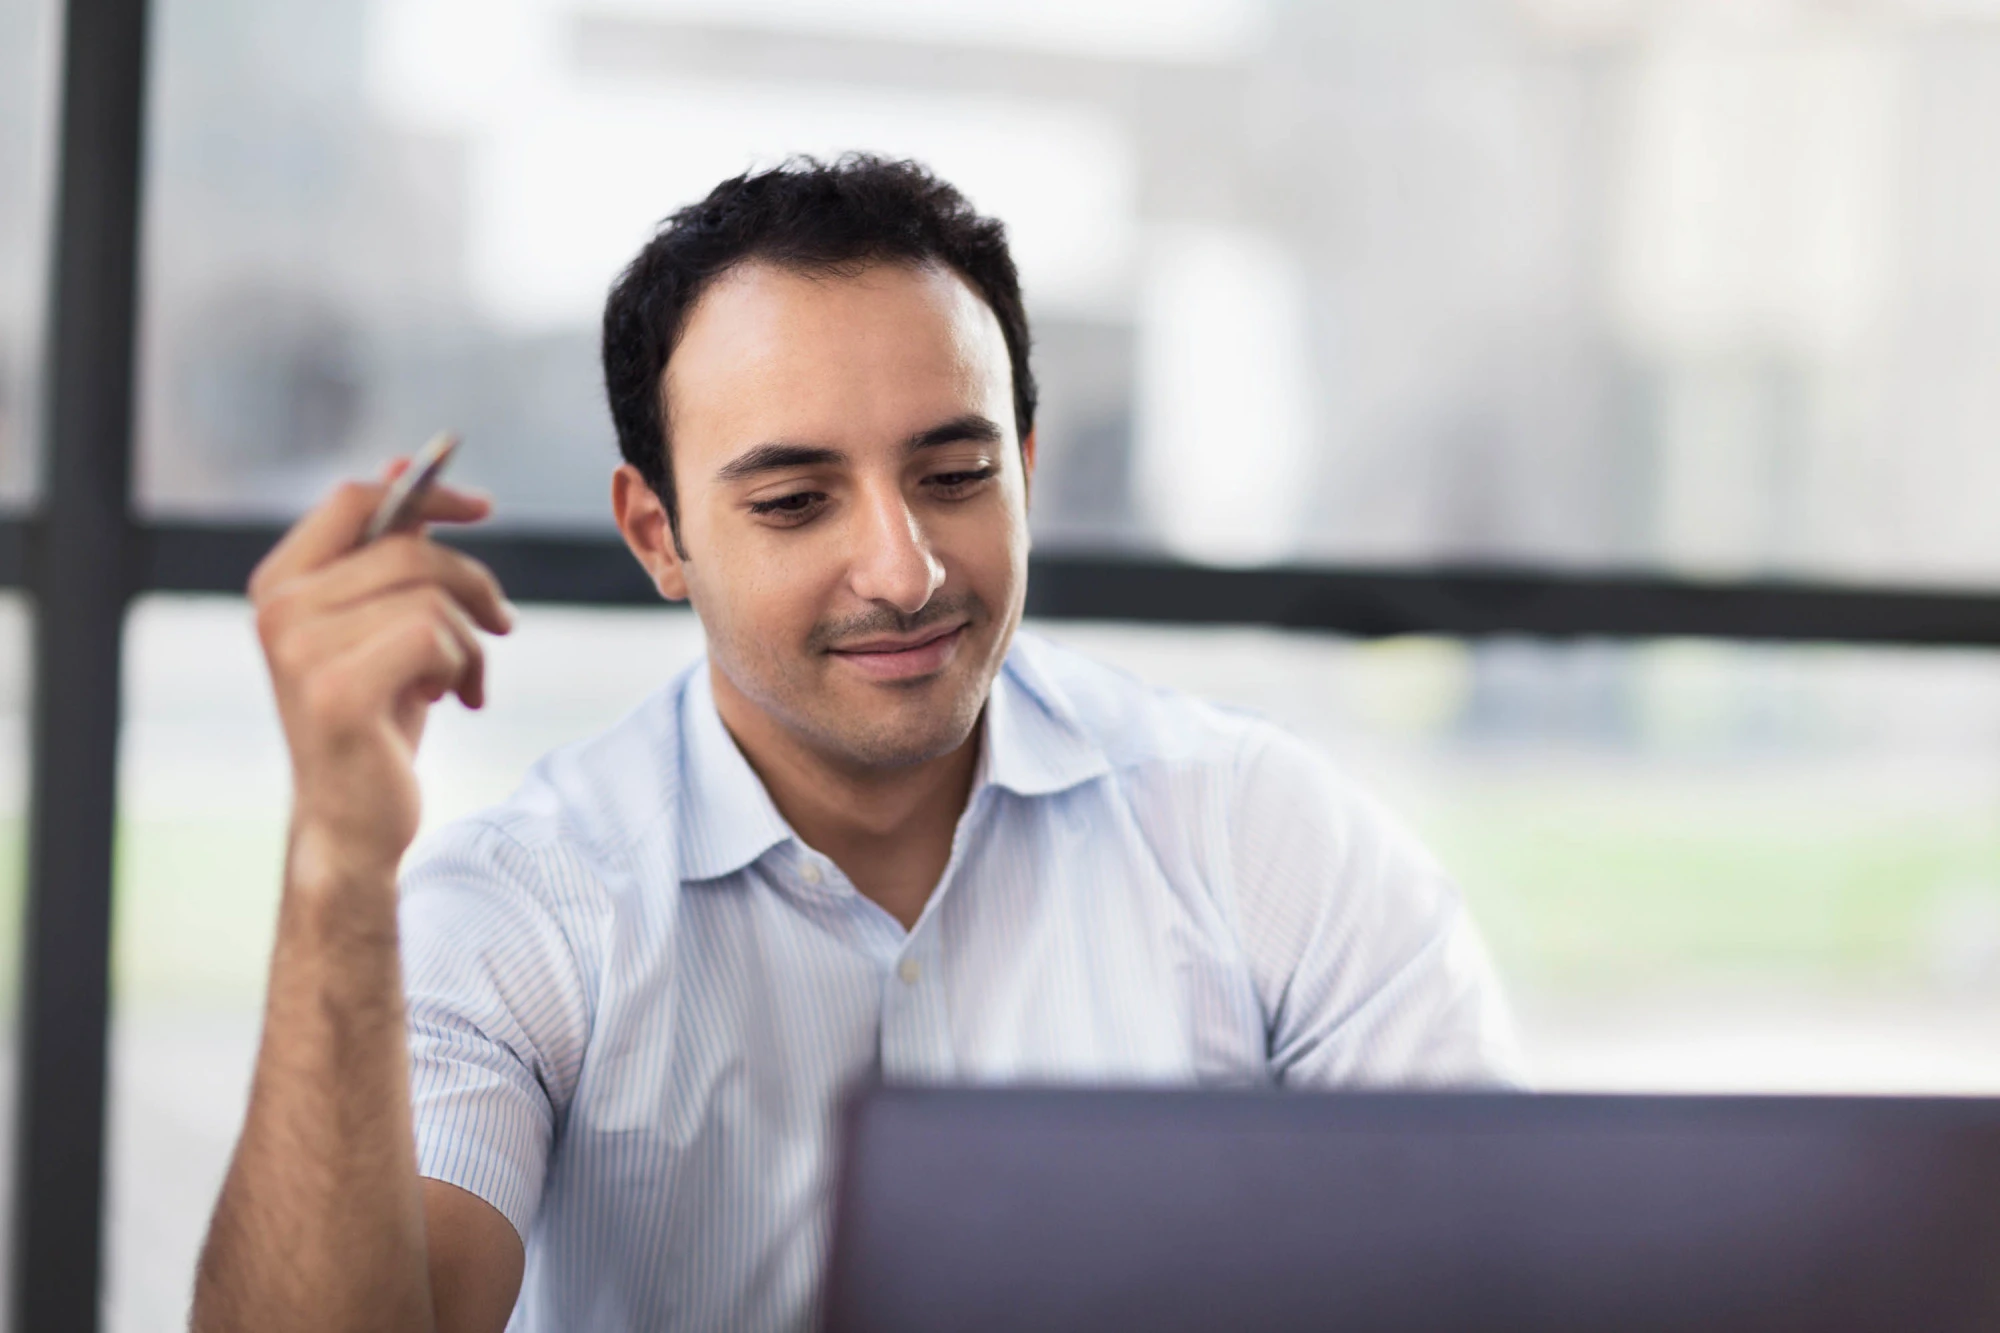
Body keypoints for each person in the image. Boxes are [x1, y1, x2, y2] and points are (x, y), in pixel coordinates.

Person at [190, 156, 1518, 1333]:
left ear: (1026, 473)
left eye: (956, 477)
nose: (904, 569)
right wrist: (338, 865)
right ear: (659, 536)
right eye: (793, 501)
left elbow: (1500, 1273)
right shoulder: (527, 909)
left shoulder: (1261, 834)